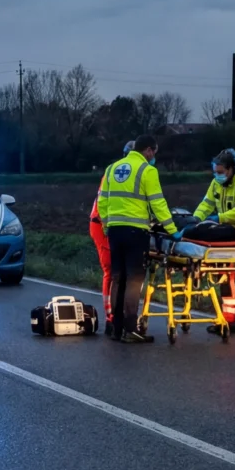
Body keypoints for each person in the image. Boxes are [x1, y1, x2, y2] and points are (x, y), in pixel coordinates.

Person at [97, 135, 176, 344]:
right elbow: (158, 203)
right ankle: (131, 330)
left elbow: (102, 202)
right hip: (136, 232)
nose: (153, 157)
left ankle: (116, 327)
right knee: (133, 280)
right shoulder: (147, 171)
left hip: (114, 230)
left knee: (117, 278)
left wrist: (106, 225)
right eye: (154, 153)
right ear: (148, 150)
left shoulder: (112, 168)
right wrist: (172, 230)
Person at [191, 148, 235, 330]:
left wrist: (220, 218)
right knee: (224, 276)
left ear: (231, 169)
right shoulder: (216, 184)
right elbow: (206, 204)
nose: (217, 176)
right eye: (215, 172)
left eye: (220, 172)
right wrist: (195, 220)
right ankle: (227, 320)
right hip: (224, 234)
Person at [90, 140, 134, 336]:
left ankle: (124, 314)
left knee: (125, 273)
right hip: (104, 225)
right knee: (112, 271)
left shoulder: (137, 173)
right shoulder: (114, 173)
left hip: (118, 226)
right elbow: (103, 205)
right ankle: (111, 317)